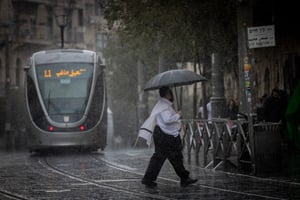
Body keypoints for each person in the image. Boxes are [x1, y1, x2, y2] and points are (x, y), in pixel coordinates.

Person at [141, 86, 198, 188]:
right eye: (170, 93)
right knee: (175, 156)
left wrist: (178, 121)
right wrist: (178, 115)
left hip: (162, 134)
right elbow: (167, 120)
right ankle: (184, 178)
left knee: (161, 157)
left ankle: (148, 179)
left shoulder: (162, 105)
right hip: (165, 136)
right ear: (168, 94)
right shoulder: (163, 105)